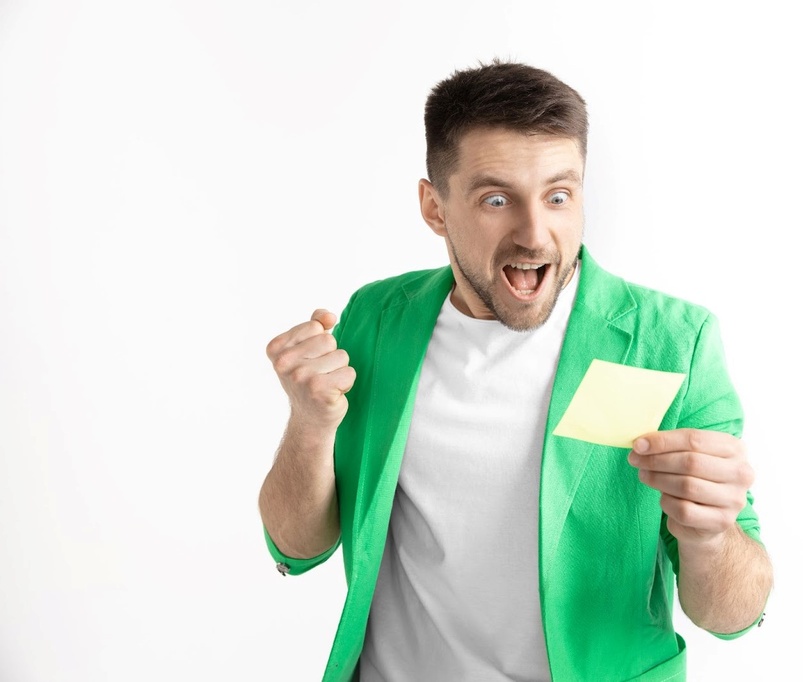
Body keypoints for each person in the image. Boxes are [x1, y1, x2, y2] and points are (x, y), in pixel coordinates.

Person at [259, 60, 773, 682]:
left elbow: (734, 616)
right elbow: (296, 548)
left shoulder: (671, 343)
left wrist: (711, 537)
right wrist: (310, 425)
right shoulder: (375, 319)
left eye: (559, 196)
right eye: (496, 199)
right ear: (435, 207)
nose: (536, 234)